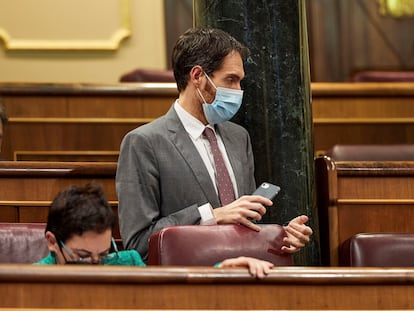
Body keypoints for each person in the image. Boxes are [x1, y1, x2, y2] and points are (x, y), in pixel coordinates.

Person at [116, 27, 313, 262]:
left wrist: (280, 236)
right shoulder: (144, 142)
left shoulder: (239, 137)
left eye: (240, 81)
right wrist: (210, 216)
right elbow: (138, 243)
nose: (238, 91)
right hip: (189, 284)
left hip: (247, 278)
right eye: (230, 80)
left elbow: (245, 223)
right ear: (198, 76)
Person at [36, 183, 274, 279]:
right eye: (83, 258)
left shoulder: (126, 262)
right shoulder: (31, 280)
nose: (96, 266)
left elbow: (167, 299)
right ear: (52, 242)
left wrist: (221, 271)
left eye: (104, 254)